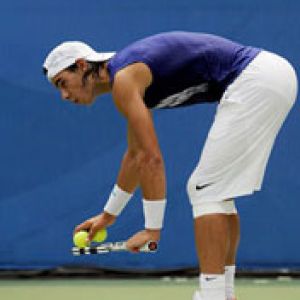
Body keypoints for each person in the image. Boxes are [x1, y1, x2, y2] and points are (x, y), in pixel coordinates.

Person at [43, 31, 298, 300]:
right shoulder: (127, 79)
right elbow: (134, 156)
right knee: (216, 192)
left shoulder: (125, 79)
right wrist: (109, 216)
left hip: (256, 79)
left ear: (82, 65)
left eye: (63, 82)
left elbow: (151, 159)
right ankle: (223, 293)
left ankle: (213, 295)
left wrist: (152, 229)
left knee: (205, 190)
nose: (64, 95)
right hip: (268, 76)